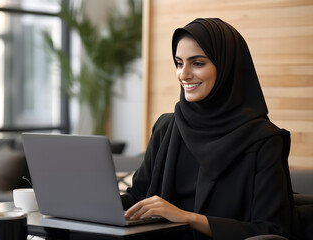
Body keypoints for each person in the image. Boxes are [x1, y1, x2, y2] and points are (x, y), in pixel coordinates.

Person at [121, 18, 302, 240]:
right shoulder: (167, 127)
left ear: (226, 66)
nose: (184, 74)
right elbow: (137, 197)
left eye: (197, 63)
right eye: (179, 63)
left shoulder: (263, 140)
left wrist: (187, 217)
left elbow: (272, 230)